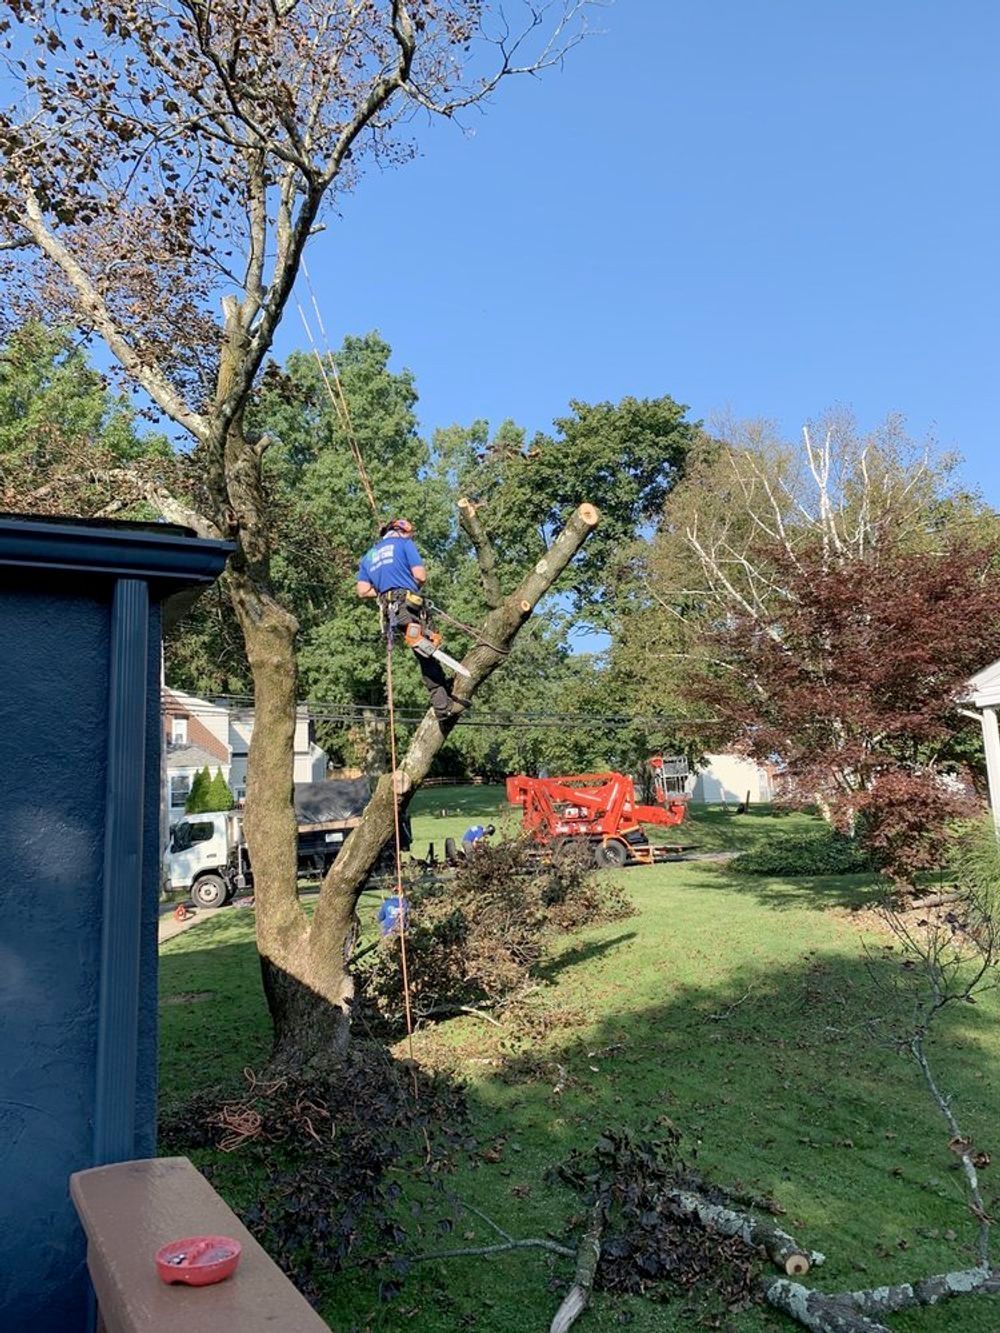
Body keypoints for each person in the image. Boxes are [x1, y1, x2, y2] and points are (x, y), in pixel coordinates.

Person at [357, 518, 463, 721]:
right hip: (406, 604)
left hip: (391, 610)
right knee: (423, 648)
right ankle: (442, 706)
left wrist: (384, 589)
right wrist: (405, 585)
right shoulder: (404, 544)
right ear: (401, 531)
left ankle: (442, 691)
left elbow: (362, 591)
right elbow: (420, 576)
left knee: (428, 644)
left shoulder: (369, 555)